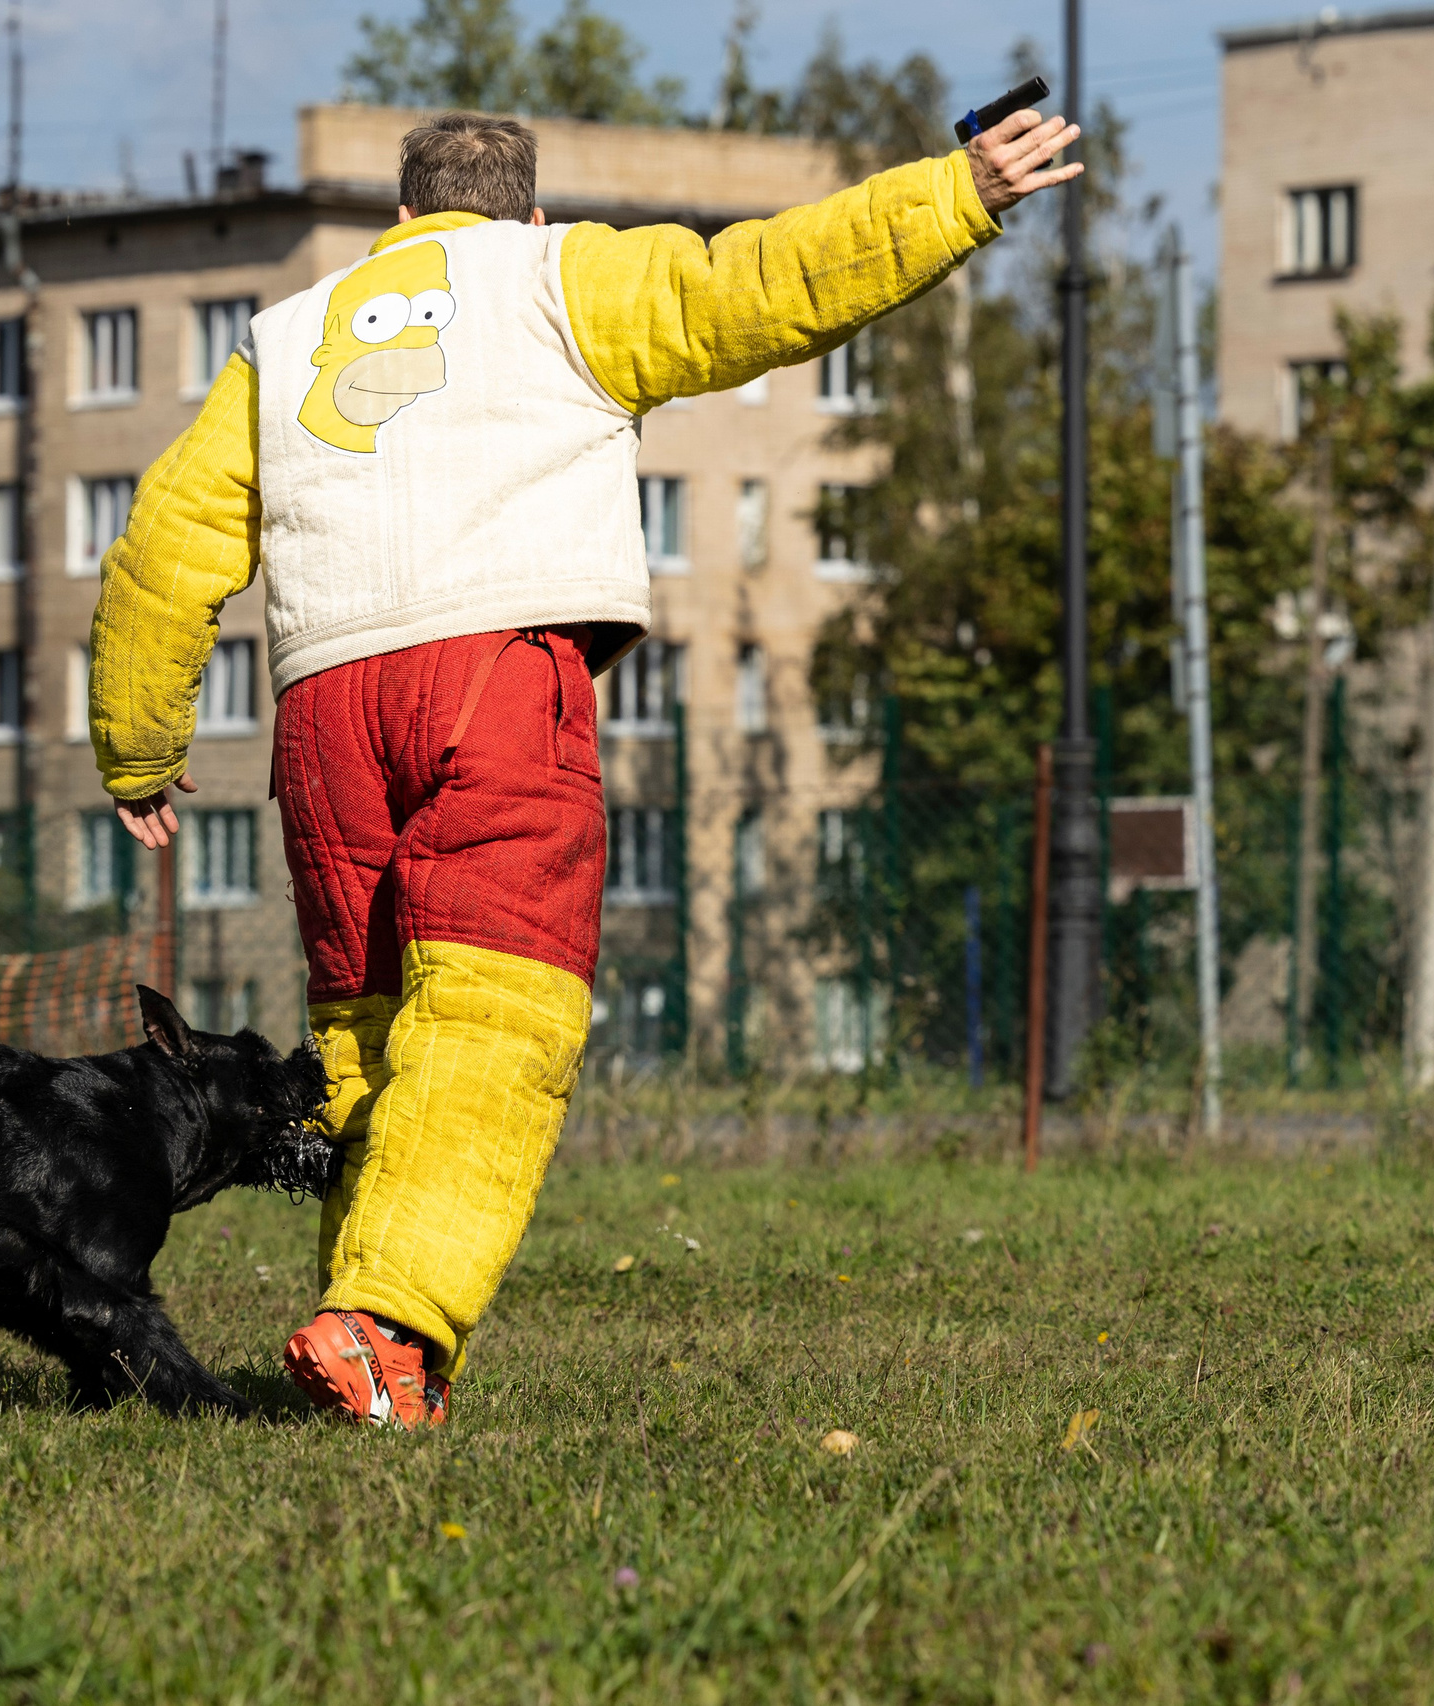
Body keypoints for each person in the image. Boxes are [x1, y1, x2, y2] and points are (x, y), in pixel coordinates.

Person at [90, 104, 1083, 1427]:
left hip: (322, 708)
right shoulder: (566, 280)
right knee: (493, 1013)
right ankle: (384, 1325)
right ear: (530, 218)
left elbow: (166, 541)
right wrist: (957, 193)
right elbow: (770, 282)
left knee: (372, 1033)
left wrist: (141, 745)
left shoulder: (288, 339)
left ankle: (366, 1348)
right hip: (494, 671)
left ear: (400, 223)